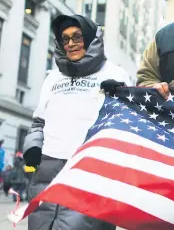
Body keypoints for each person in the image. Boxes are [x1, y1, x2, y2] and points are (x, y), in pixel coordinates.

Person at [22, 14, 131, 230]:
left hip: (89, 169)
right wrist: (33, 148)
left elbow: (127, 124)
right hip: (48, 168)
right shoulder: (52, 78)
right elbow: (39, 121)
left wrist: (120, 96)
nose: (71, 44)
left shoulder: (114, 73)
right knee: (42, 224)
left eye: (77, 37)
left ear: (90, 39)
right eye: (65, 39)